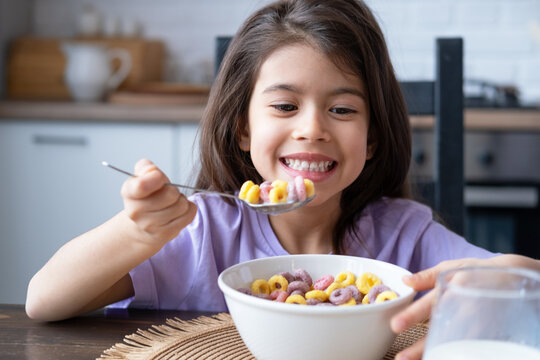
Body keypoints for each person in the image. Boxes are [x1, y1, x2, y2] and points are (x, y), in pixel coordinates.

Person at [26, 0, 539, 359]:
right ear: (242, 130)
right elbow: (44, 301)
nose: (312, 128)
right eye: (284, 105)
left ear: (373, 139)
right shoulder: (204, 232)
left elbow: (525, 289)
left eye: (341, 108)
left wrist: (507, 283)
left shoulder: (405, 237)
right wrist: (138, 232)